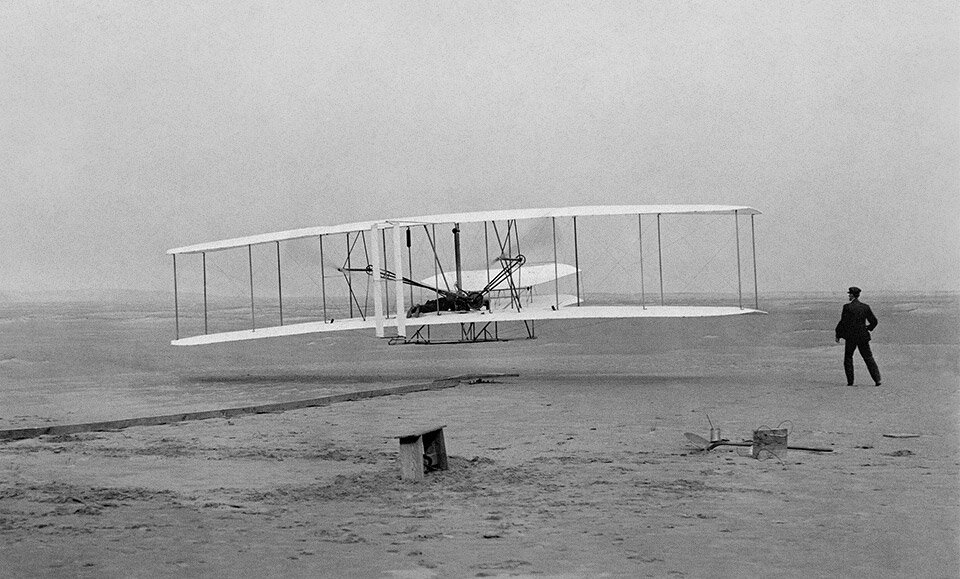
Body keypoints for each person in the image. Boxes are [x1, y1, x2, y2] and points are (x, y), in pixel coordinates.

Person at [835, 286, 882, 386]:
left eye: (849, 294)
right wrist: (868, 328)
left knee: (848, 358)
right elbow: (874, 321)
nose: (848, 295)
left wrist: (838, 334)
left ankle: (850, 382)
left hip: (851, 337)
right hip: (863, 336)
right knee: (868, 358)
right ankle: (877, 380)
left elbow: (843, 322)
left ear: (852, 295)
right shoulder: (865, 307)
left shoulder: (847, 307)